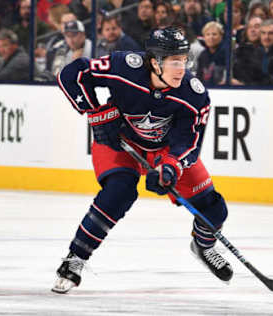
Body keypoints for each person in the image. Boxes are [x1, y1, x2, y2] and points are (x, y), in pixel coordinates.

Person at [52, 26, 233, 294]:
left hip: (164, 149)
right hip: (118, 141)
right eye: (174, 61)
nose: (180, 68)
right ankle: (75, 258)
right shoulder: (124, 66)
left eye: (183, 60)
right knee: (118, 193)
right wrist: (98, 113)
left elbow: (189, 144)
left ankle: (204, 246)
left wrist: (170, 166)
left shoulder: (194, 95)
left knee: (214, 208)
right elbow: (72, 73)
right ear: (154, 62)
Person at [196, 21, 228, 85]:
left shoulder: (226, 53)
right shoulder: (203, 55)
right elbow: (199, 77)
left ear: (221, 36)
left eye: (214, 34)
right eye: (208, 34)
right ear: (204, 37)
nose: (211, 37)